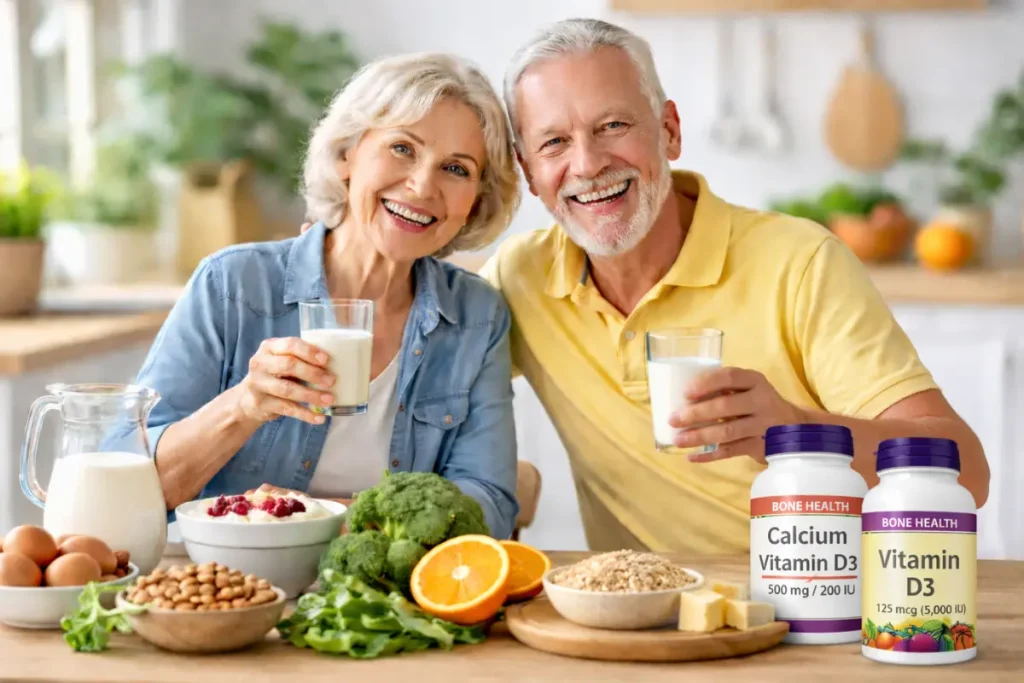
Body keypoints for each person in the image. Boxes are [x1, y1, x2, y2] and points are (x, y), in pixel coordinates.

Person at [479, 18, 990, 553]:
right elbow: (416, 369)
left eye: (612, 126)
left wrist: (794, 432)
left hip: (825, 611)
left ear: (669, 131)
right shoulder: (522, 278)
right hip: (650, 618)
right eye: (555, 142)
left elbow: (968, 472)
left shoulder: (799, 262)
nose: (587, 164)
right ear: (529, 172)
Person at [133, 52, 522, 539]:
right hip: (232, 589)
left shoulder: (476, 317)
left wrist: (326, 518)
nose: (423, 185)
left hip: (382, 598)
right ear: (347, 156)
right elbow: (133, 491)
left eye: (456, 169)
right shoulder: (233, 285)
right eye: (402, 148)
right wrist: (245, 405)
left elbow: (490, 504)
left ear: (475, 202)